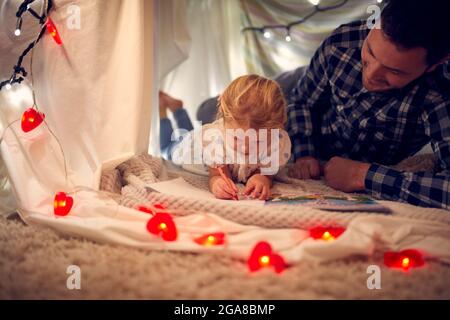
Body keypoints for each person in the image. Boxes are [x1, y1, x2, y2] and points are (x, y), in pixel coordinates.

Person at [286, 0, 450, 209]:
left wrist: (362, 175)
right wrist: (305, 153)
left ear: (434, 65)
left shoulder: (439, 92)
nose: (371, 75)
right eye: (371, 52)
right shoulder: (341, 42)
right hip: (300, 87)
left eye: (395, 71)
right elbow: (301, 101)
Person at [171, 75, 291, 200]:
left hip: (194, 135)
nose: (245, 149)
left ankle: (177, 109)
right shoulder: (214, 139)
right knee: (171, 145)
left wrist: (262, 177)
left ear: (279, 128)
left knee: (190, 131)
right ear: (223, 121)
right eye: (236, 138)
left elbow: (267, 171)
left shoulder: (276, 142)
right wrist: (217, 183)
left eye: (258, 141)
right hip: (186, 149)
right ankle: (174, 111)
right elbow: (216, 176)